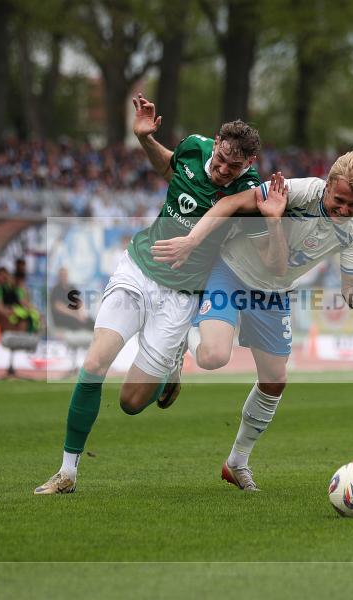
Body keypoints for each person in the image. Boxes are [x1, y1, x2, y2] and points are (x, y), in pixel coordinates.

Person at [35, 93, 262, 495]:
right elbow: (169, 168)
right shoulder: (194, 147)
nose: (225, 169)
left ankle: (173, 363)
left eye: (236, 165)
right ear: (215, 143)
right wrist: (143, 138)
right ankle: (67, 472)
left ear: (249, 164)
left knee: (131, 402)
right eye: (223, 160)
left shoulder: (249, 191)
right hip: (138, 269)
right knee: (95, 363)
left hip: (181, 297)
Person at [150, 153, 353, 491]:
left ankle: (236, 463)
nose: (345, 210)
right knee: (214, 357)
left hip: (274, 292)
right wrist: (192, 241)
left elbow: (350, 292)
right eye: (340, 200)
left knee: (275, 380)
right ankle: (178, 349)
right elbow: (231, 202)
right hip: (231, 270)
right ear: (328, 184)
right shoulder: (296, 191)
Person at [49, 267, 94, 335]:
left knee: (90, 321)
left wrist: (81, 314)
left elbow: (79, 302)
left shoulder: (72, 288)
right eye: (62, 275)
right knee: (76, 322)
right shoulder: (56, 289)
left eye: (65, 274)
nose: (64, 277)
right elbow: (59, 307)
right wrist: (75, 315)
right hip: (62, 317)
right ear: (59, 276)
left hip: (75, 316)